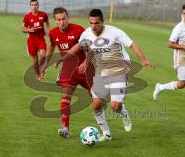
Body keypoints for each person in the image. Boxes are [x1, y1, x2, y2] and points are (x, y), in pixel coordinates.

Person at [56, 9, 155, 141]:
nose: (93, 26)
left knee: (115, 106)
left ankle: (124, 114)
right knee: (96, 105)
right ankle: (107, 134)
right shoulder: (87, 33)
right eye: (91, 23)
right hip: (101, 71)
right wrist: (64, 58)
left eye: (96, 23)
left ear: (102, 21)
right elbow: (79, 46)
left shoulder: (115, 32)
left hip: (119, 70)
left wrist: (144, 59)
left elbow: (132, 45)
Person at [43, 7, 94, 138]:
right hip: (68, 70)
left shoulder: (78, 30)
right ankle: (65, 128)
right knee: (66, 96)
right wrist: (45, 64)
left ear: (68, 18)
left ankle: (106, 126)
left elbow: (90, 48)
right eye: (59, 20)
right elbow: (52, 46)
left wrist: (86, 63)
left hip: (85, 68)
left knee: (97, 100)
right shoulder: (53, 33)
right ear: (55, 20)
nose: (62, 22)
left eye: (64, 19)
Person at [22, 0, 50, 80]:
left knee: (43, 55)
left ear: (38, 5)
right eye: (32, 5)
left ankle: (42, 69)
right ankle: (37, 73)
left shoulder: (43, 14)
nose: (34, 6)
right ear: (30, 6)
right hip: (31, 40)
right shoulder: (27, 17)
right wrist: (29, 30)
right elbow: (23, 29)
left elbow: (47, 22)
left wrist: (48, 30)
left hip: (40, 38)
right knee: (35, 60)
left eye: (35, 5)